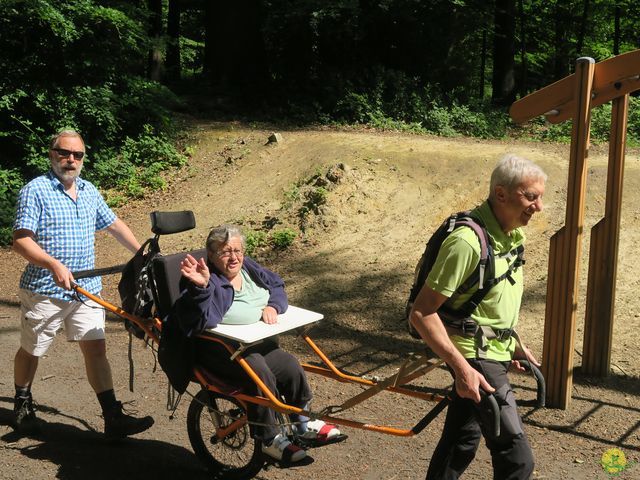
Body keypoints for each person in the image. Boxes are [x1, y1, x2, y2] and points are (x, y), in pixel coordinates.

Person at [410, 154, 546, 480]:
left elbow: (495, 300)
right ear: (501, 194)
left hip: (491, 352)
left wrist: (512, 343)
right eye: (530, 196)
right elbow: (422, 312)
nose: (538, 207)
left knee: (461, 442)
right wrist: (462, 369)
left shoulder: (512, 236)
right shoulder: (467, 242)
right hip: (474, 356)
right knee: (517, 460)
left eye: (540, 197)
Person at [12, 129, 154, 439]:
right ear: (52, 154)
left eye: (77, 155)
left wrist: (142, 253)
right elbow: (21, 241)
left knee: (96, 349)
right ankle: (22, 403)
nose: (71, 159)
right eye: (64, 153)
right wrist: (52, 263)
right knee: (32, 349)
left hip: (86, 288)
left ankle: (112, 417)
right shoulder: (35, 190)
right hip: (44, 290)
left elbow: (114, 223)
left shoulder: (89, 191)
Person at [173, 224, 341, 463]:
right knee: (259, 373)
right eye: (225, 252)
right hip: (221, 350)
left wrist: (273, 306)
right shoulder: (205, 279)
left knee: (290, 366)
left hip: (254, 342)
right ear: (211, 255)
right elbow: (199, 319)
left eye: (237, 251)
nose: (234, 257)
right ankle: (269, 439)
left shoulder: (248, 267)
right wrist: (200, 288)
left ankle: (301, 424)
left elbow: (277, 285)